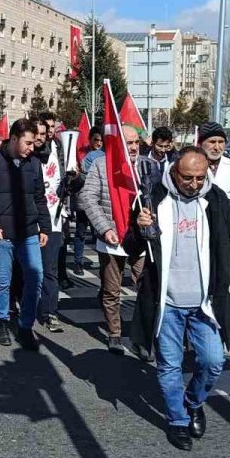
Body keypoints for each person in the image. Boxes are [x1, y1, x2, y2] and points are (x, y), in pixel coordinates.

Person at [126, 145, 230, 451]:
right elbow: (131, 248)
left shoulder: (215, 199)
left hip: (205, 303)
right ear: (174, 171)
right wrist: (139, 230)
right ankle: (177, 420)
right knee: (169, 367)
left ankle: (193, 402)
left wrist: (225, 273)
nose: (193, 184)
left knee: (213, 361)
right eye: (187, 177)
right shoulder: (152, 199)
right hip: (166, 303)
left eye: (199, 177)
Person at [0, 118, 50, 351]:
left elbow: (39, 198)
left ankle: (26, 325)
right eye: (28, 142)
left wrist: (45, 227)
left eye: (34, 143)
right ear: (15, 138)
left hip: (28, 231)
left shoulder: (34, 163)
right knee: (2, 280)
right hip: (2, 233)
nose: (32, 147)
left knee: (35, 276)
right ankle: (2, 321)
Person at [79, 123, 146, 354]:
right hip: (112, 239)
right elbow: (88, 198)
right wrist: (105, 228)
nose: (135, 147)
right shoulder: (101, 165)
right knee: (111, 290)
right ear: (118, 144)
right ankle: (115, 333)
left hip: (142, 240)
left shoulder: (148, 167)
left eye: (137, 142)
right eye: (129, 143)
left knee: (146, 287)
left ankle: (143, 334)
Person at [36, 114, 67, 332]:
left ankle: (50, 312)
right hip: (32, 220)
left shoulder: (61, 150)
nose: (49, 131)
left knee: (50, 269)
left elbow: (67, 181)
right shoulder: (29, 153)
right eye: (45, 127)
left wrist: (74, 180)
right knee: (29, 269)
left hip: (54, 218)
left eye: (52, 128)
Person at [73, 128, 104, 273]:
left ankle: (103, 261)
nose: (98, 143)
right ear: (90, 140)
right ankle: (78, 262)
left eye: (100, 140)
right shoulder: (81, 154)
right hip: (83, 199)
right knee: (80, 232)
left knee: (98, 232)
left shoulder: (103, 156)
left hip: (98, 201)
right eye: (95, 140)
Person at [198, 123, 230, 213]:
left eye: (221, 142)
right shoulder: (191, 164)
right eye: (212, 142)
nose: (217, 147)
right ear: (200, 144)